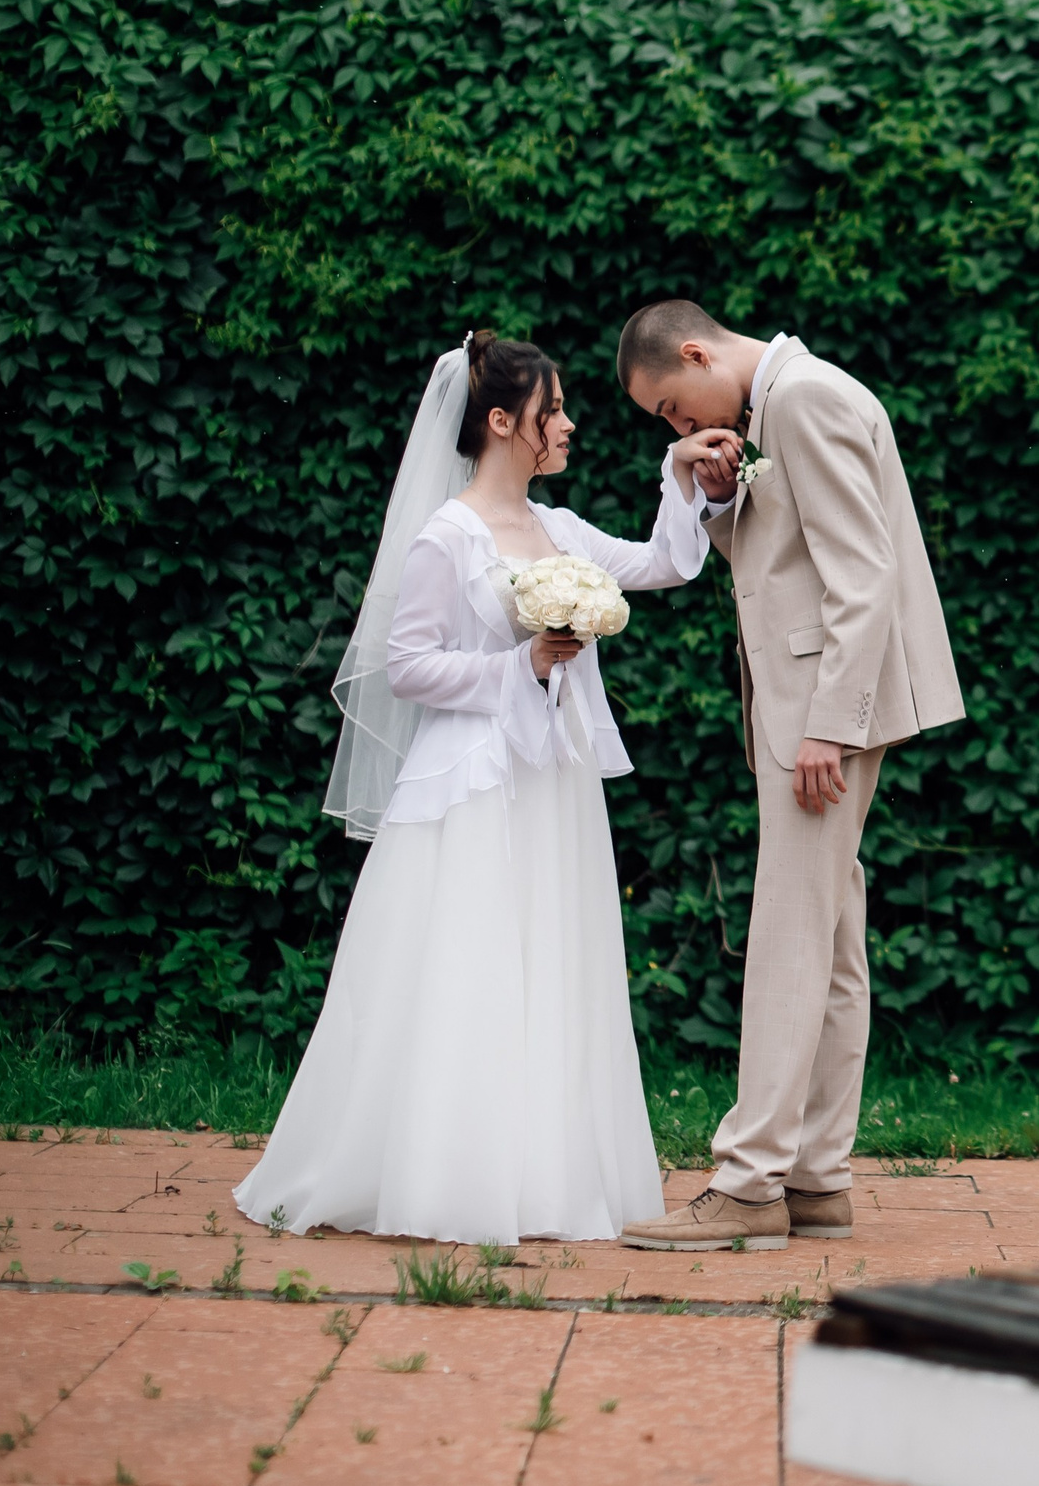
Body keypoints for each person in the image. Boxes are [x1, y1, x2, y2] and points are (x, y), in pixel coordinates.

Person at [235, 331, 732, 1246]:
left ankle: (541, 1176)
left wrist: (682, 472)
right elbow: (408, 665)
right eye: (554, 413)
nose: (570, 425)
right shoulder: (447, 536)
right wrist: (521, 664)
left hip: (553, 784)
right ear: (503, 422)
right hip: (471, 786)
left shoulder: (559, 530)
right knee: (463, 971)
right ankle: (442, 1175)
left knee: (550, 966)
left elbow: (659, 564)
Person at [613, 299, 963, 1251]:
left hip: (821, 710)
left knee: (788, 931)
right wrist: (722, 493)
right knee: (834, 933)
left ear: (695, 352)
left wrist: (827, 729)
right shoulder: (781, 407)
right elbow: (780, 558)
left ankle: (749, 1178)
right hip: (812, 703)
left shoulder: (803, 399)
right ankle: (816, 1177)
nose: (681, 428)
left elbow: (865, 575)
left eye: (673, 410)